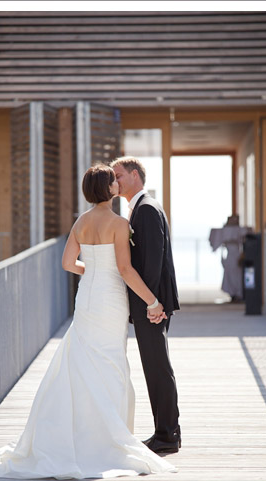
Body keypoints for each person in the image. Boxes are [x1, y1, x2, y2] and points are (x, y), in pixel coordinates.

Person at [0, 164, 177, 480]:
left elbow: (67, 263)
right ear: (108, 190)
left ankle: (79, 431)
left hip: (88, 297)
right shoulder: (117, 223)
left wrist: (95, 273)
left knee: (82, 360)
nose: (117, 182)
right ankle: (106, 435)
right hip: (111, 299)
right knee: (110, 361)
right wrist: (153, 301)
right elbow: (127, 271)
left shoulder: (81, 222)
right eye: (112, 180)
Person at [111, 157, 181, 455]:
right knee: (155, 368)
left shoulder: (147, 210)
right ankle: (164, 432)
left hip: (152, 306)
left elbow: (151, 264)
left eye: (119, 175)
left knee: (157, 369)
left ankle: (167, 435)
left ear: (135, 175)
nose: (115, 181)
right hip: (150, 303)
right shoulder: (140, 208)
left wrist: (152, 304)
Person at [209, 214, 249, 302]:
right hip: (230, 255)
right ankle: (233, 293)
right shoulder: (226, 230)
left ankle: (238, 293)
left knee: (237, 275)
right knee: (229, 274)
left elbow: (247, 233)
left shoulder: (239, 230)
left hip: (236, 254)